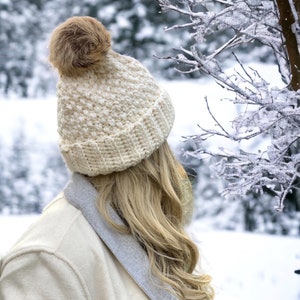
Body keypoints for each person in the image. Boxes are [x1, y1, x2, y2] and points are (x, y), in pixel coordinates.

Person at [0, 16, 214, 300]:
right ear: (145, 158)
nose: (173, 163)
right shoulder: (50, 261)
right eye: (162, 144)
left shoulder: (141, 234)